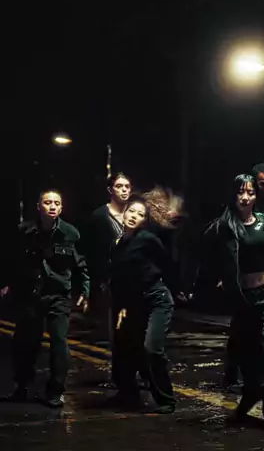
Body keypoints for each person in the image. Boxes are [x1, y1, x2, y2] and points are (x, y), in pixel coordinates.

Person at [200, 174, 264, 431]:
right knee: (249, 361)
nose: (245, 197)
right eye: (240, 192)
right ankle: (249, 398)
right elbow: (205, 257)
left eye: (250, 192)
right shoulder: (222, 228)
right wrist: (219, 280)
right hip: (245, 301)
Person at [0, 189, 90, 407]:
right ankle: (21, 386)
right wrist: (7, 284)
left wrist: (85, 291)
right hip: (30, 294)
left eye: (56, 203)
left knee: (59, 342)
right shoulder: (24, 231)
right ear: (38, 206)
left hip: (58, 295)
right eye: (48, 202)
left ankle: (55, 391)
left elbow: (81, 265)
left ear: (61, 207)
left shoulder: (70, 233)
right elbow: (12, 260)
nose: (52, 206)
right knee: (24, 342)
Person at [108, 187, 183, 413]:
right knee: (126, 347)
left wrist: (176, 289)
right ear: (124, 212)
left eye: (140, 215)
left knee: (152, 349)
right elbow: (119, 279)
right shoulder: (118, 243)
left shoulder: (148, 239)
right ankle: (128, 394)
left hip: (157, 299)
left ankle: (166, 399)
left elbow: (168, 263)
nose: (134, 216)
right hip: (134, 303)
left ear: (144, 221)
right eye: (132, 211)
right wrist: (121, 307)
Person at [85, 172, 132, 322]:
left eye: (127, 186)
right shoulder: (99, 216)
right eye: (119, 186)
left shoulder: (136, 214)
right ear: (110, 190)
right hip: (108, 282)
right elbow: (92, 253)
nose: (124, 190)